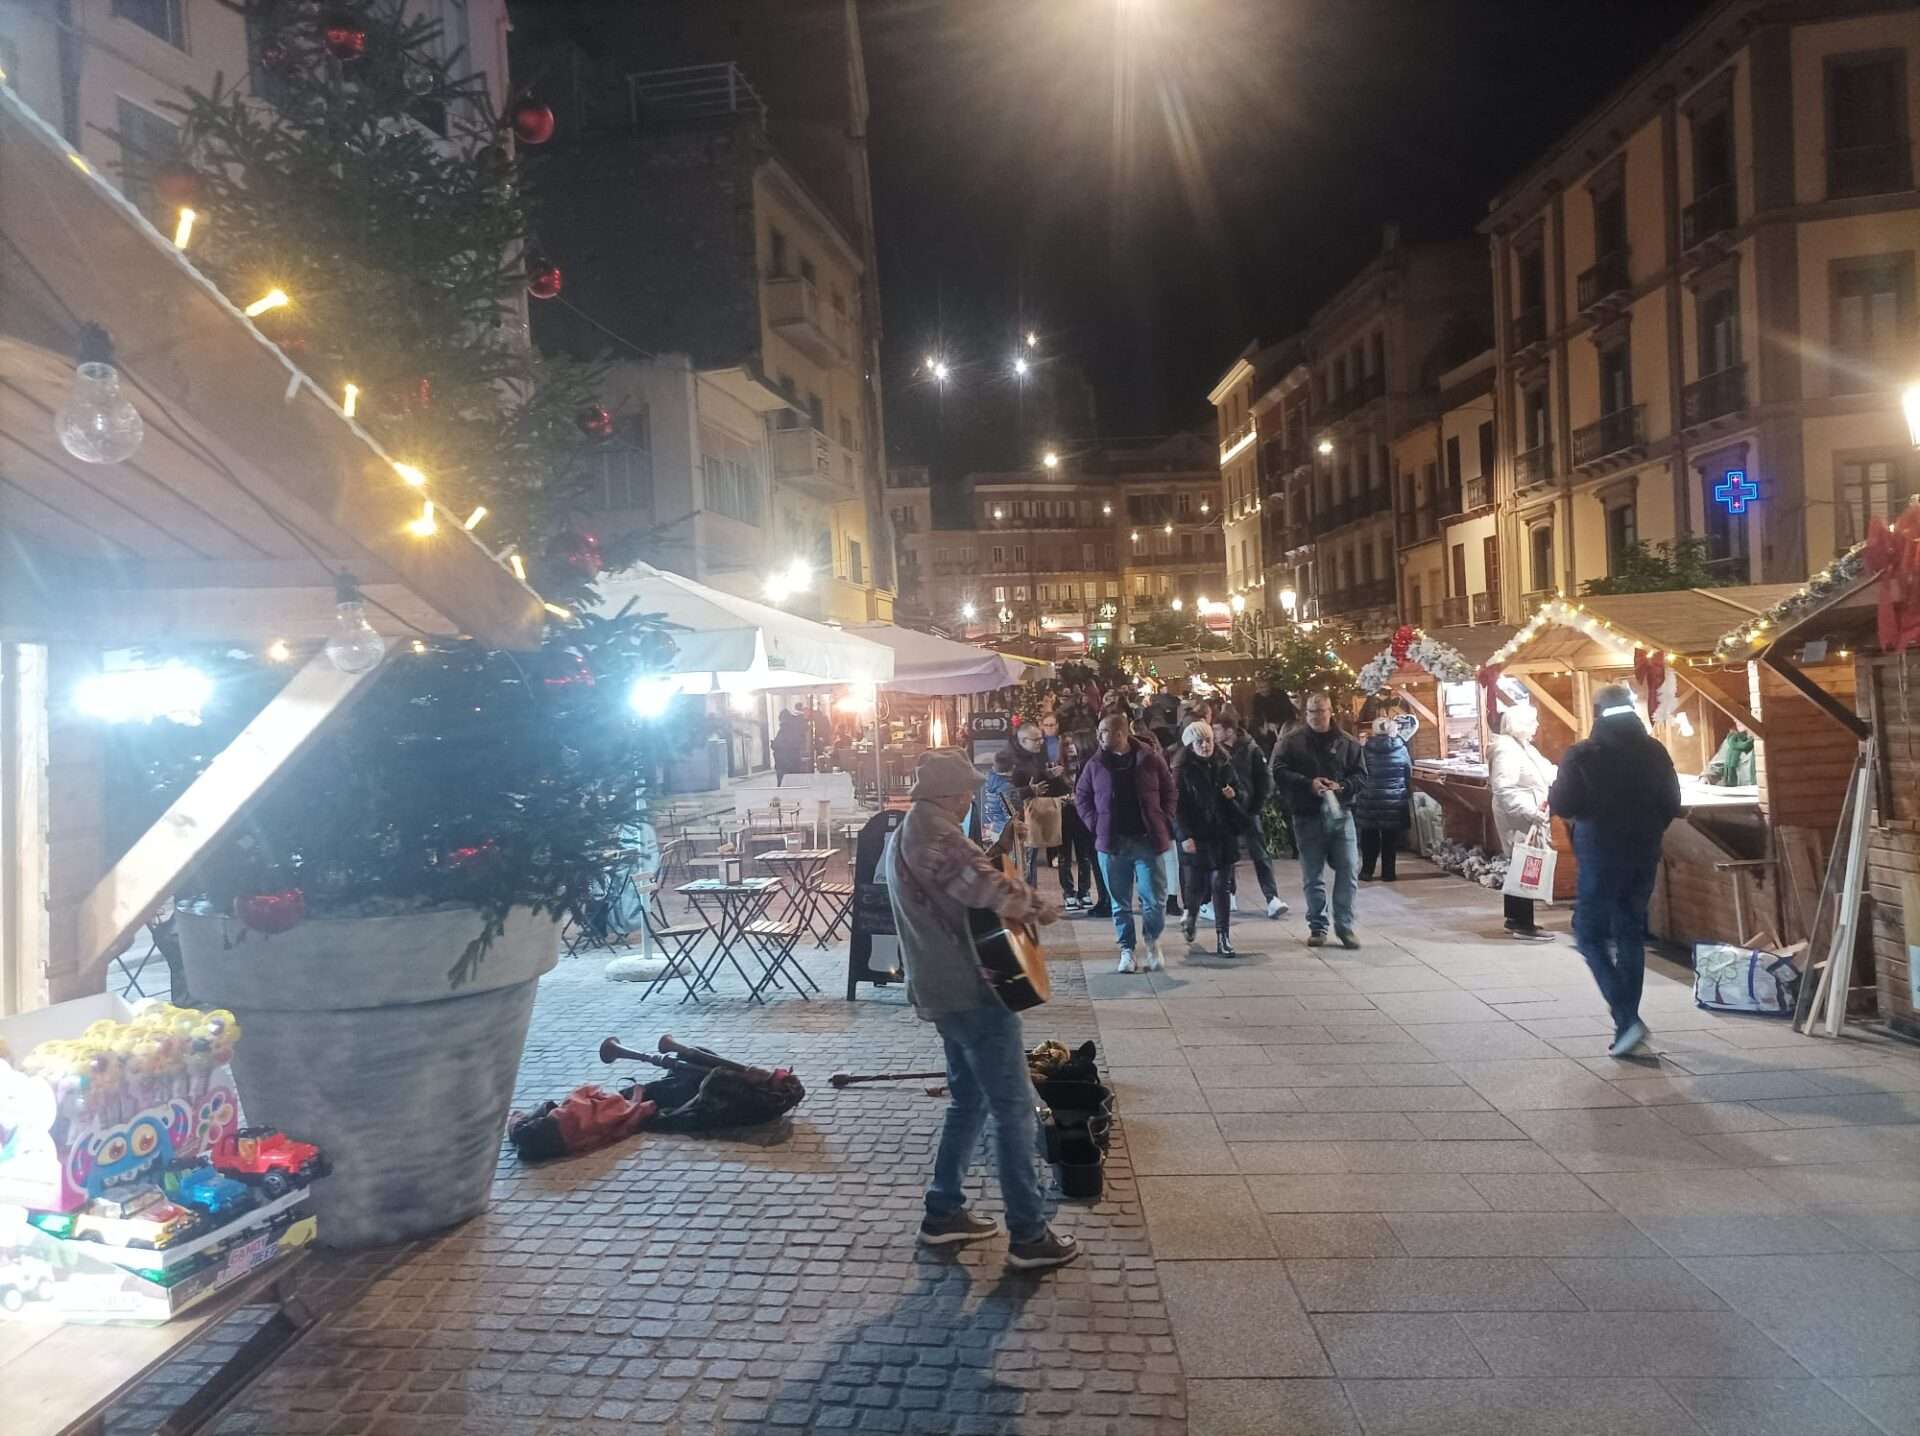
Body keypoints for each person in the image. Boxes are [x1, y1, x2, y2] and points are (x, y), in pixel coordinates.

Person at [882, 752, 1079, 1270]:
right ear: (949, 795)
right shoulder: (940, 835)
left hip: (938, 990)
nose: (971, 797)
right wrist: (1041, 907)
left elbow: (961, 887)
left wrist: (997, 853)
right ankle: (1029, 1234)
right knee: (1013, 1110)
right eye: (966, 791)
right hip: (972, 991)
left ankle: (943, 1211)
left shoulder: (908, 830)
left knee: (967, 1101)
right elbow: (990, 888)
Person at [1548, 683, 1682, 1058]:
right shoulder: (1655, 751)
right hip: (1643, 851)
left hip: (1600, 853)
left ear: (1597, 712)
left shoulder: (1583, 754)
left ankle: (1626, 1018)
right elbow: (1672, 802)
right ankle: (1627, 1023)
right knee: (1629, 932)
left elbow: (1563, 803)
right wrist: (1648, 829)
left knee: (1588, 933)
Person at [1074, 711, 1177, 973]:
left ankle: (1152, 941)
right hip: (1112, 843)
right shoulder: (1095, 763)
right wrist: (1095, 824)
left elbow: (1169, 790)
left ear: (1120, 734)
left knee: (1154, 900)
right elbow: (1082, 796)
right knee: (1119, 903)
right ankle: (1127, 950)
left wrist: (1164, 818)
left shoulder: (1149, 758)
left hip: (1147, 840)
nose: (1098, 736)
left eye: (1103, 732)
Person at [1272, 691, 1366, 949]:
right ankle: (1318, 926)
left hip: (1341, 815)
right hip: (1307, 815)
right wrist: (1307, 784)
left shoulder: (1347, 743)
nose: (1315, 716)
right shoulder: (1291, 742)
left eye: (1320, 711)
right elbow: (1278, 771)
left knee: (1348, 868)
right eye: (1311, 712)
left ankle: (1344, 926)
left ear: (1330, 712)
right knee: (1313, 874)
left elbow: (1361, 776)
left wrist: (1342, 787)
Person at [1172, 722, 1248, 956]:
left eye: (1208, 740)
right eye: (1199, 742)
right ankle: (1191, 916)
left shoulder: (1224, 764)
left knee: (1221, 885)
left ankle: (1223, 936)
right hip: (1196, 835)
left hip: (1222, 833)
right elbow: (1176, 808)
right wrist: (1185, 836)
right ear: (1190, 745)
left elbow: (1242, 793)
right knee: (1195, 886)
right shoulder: (1182, 771)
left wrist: (1234, 795)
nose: (1205, 746)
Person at [1488, 705, 1557, 942]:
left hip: (1528, 814)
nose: (1537, 725)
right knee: (1525, 865)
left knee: (1521, 864)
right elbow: (1503, 788)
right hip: (1520, 817)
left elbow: (1546, 772)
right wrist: (1529, 812)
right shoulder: (1507, 750)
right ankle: (1523, 923)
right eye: (1532, 722)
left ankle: (1515, 918)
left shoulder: (1523, 747)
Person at [1215, 714, 1290, 919]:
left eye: (1217, 729)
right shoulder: (1216, 751)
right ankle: (1229, 894)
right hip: (1226, 810)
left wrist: (1256, 806)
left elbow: (1264, 779)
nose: (1214, 733)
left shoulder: (1251, 749)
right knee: (1227, 855)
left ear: (1229, 730)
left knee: (1260, 853)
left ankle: (1272, 898)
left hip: (1247, 810)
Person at [1356, 714, 1412, 882]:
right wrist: (1406, 791)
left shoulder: (1365, 750)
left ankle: (1367, 871)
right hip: (1394, 799)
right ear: (1393, 731)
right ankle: (1388, 873)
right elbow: (1408, 772)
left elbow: (1359, 772)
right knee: (1390, 839)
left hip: (1369, 799)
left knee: (1369, 837)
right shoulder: (1401, 749)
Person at [980, 749, 1020, 842]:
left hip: (986, 829)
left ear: (994, 767)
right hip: (1002, 831)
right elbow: (1013, 815)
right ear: (1013, 767)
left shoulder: (985, 781)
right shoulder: (1008, 788)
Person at [772, 707, 811, 786]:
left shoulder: (785, 728)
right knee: (794, 782)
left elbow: (780, 744)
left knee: (784, 783)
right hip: (793, 759)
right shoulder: (795, 726)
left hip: (784, 761)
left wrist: (773, 744)